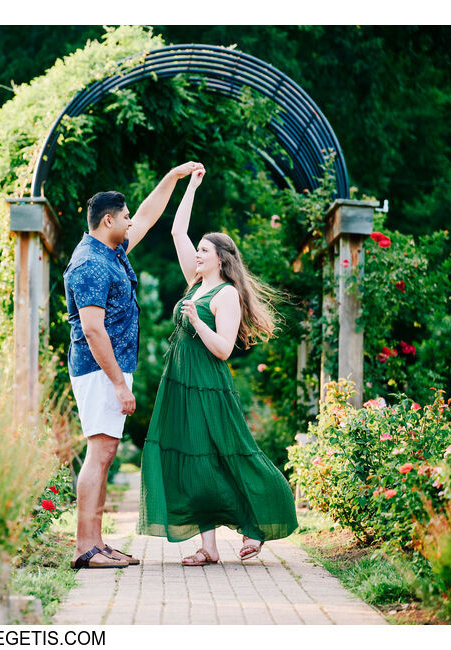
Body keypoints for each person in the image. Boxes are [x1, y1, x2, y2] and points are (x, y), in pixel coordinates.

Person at [136, 167, 298, 566]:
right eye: (199, 250)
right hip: (180, 383)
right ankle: (207, 548)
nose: (197, 253)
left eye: (204, 251)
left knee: (231, 454)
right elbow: (177, 231)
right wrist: (190, 186)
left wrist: (195, 321)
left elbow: (224, 349)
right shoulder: (195, 282)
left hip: (209, 385)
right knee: (195, 459)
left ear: (221, 259)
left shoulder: (225, 295)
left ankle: (258, 525)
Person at [64, 161, 204, 570]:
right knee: (100, 452)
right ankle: (85, 548)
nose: (130, 223)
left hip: (109, 368)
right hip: (98, 369)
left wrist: (173, 179)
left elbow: (146, 214)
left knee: (105, 454)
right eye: (123, 218)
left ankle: (98, 543)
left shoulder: (110, 248)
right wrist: (119, 386)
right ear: (108, 220)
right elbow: (92, 330)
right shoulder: (89, 262)